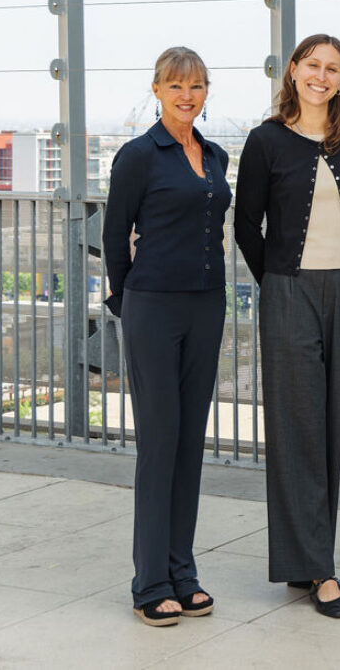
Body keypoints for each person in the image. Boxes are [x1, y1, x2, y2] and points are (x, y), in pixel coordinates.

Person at [234, 33, 340, 619]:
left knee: (330, 429)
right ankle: (319, 570)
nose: (322, 75)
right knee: (297, 430)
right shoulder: (265, 141)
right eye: (313, 65)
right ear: (293, 71)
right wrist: (275, 283)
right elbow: (245, 224)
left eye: (333, 68)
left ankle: (306, 558)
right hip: (288, 292)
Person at [103, 47, 231, 626]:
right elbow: (113, 234)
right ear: (156, 89)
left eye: (197, 85)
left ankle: (183, 570)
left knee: (190, 444)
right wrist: (126, 300)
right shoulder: (137, 156)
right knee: (160, 444)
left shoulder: (218, 155)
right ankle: (150, 581)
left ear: (207, 92)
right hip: (152, 307)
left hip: (207, 306)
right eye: (176, 85)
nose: (187, 95)